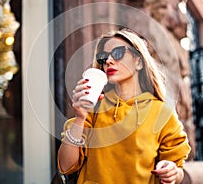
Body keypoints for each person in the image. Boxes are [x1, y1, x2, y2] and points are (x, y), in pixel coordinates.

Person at [57, 28, 191, 184]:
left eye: (118, 53)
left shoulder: (161, 113)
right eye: (103, 57)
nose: (108, 61)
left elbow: (177, 169)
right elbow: (66, 166)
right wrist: (80, 118)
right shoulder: (94, 108)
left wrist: (172, 172)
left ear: (139, 61)